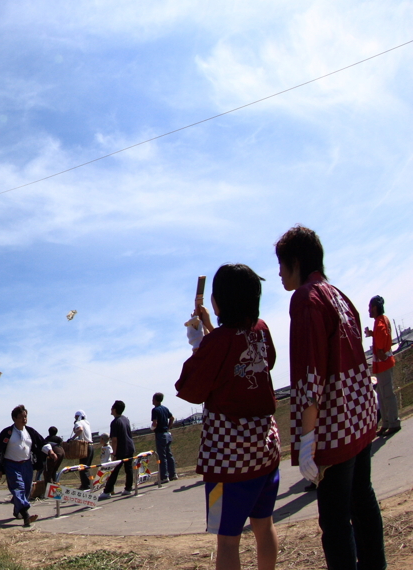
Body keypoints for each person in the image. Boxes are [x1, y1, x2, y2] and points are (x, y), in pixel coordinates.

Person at [276, 225, 384, 570]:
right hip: (362, 414)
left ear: (295, 262)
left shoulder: (306, 298)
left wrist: (307, 439)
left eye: (281, 265)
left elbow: (311, 375)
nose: (279, 273)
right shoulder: (336, 292)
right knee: (362, 500)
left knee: (335, 521)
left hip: (335, 424)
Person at [176, 263, 281, 570]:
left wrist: (199, 343)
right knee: (264, 526)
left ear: (220, 301)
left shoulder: (216, 343)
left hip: (229, 461)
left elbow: (190, 388)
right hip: (266, 451)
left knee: (227, 540)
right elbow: (251, 354)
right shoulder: (260, 330)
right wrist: (210, 330)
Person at [0, 404, 55, 527]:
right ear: (14, 418)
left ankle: (18, 509)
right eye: (21, 417)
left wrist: (50, 451)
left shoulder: (30, 431)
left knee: (27, 489)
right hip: (11, 465)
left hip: (27, 464)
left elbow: (42, 443)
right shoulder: (7, 432)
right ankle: (26, 516)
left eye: (25, 416)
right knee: (18, 488)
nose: (24, 419)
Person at [366, 295, 401, 436]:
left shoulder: (380, 322)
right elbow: (381, 334)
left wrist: (380, 350)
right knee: (381, 394)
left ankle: (393, 422)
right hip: (383, 365)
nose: (369, 310)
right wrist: (372, 334)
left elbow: (381, 338)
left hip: (383, 364)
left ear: (374, 308)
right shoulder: (382, 320)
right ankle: (386, 423)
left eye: (370, 307)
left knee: (387, 394)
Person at [99, 400, 134, 500]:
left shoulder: (115, 422)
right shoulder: (125, 419)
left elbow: (114, 439)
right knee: (129, 468)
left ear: (114, 410)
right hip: (130, 446)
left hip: (121, 449)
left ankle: (107, 491)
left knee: (114, 470)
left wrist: (114, 453)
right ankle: (128, 488)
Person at [151, 393, 177, 484]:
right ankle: (173, 474)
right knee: (169, 454)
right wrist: (169, 427)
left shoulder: (155, 410)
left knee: (162, 456)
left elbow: (155, 423)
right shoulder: (165, 409)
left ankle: (164, 477)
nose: (152, 401)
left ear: (156, 400)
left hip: (160, 434)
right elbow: (172, 418)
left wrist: (152, 429)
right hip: (167, 433)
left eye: (153, 399)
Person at [71, 410, 93, 490]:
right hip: (91, 446)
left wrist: (72, 438)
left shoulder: (78, 423)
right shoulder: (87, 422)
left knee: (82, 467)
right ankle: (89, 483)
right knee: (87, 467)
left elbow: (80, 430)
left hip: (84, 446)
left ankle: (85, 485)